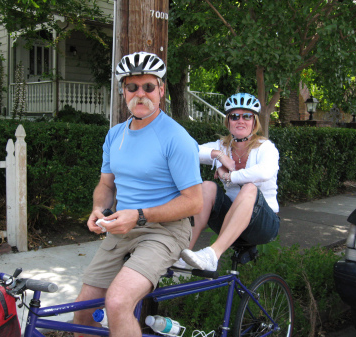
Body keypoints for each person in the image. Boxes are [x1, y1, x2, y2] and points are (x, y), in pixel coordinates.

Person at [73, 51, 203, 337]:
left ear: (161, 90)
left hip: (164, 231)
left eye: (148, 87)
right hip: (122, 227)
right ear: (123, 91)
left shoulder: (176, 137)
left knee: (118, 302)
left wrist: (140, 215)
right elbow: (107, 185)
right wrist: (98, 209)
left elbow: (194, 202)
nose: (140, 94)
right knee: (82, 312)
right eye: (133, 87)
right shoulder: (115, 134)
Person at [177, 92, 280, 272]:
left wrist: (228, 176)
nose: (241, 120)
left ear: (254, 122)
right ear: (228, 121)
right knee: (207, 187)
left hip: (264, 223)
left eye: (247, 116)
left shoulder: (266, 147)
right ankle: (181, 258)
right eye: (234, 116)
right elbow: (188, 151)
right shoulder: (222, 146)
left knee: (249, 188)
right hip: (231, 220)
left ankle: (212, 256)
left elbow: (264, 172)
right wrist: (218, 156)